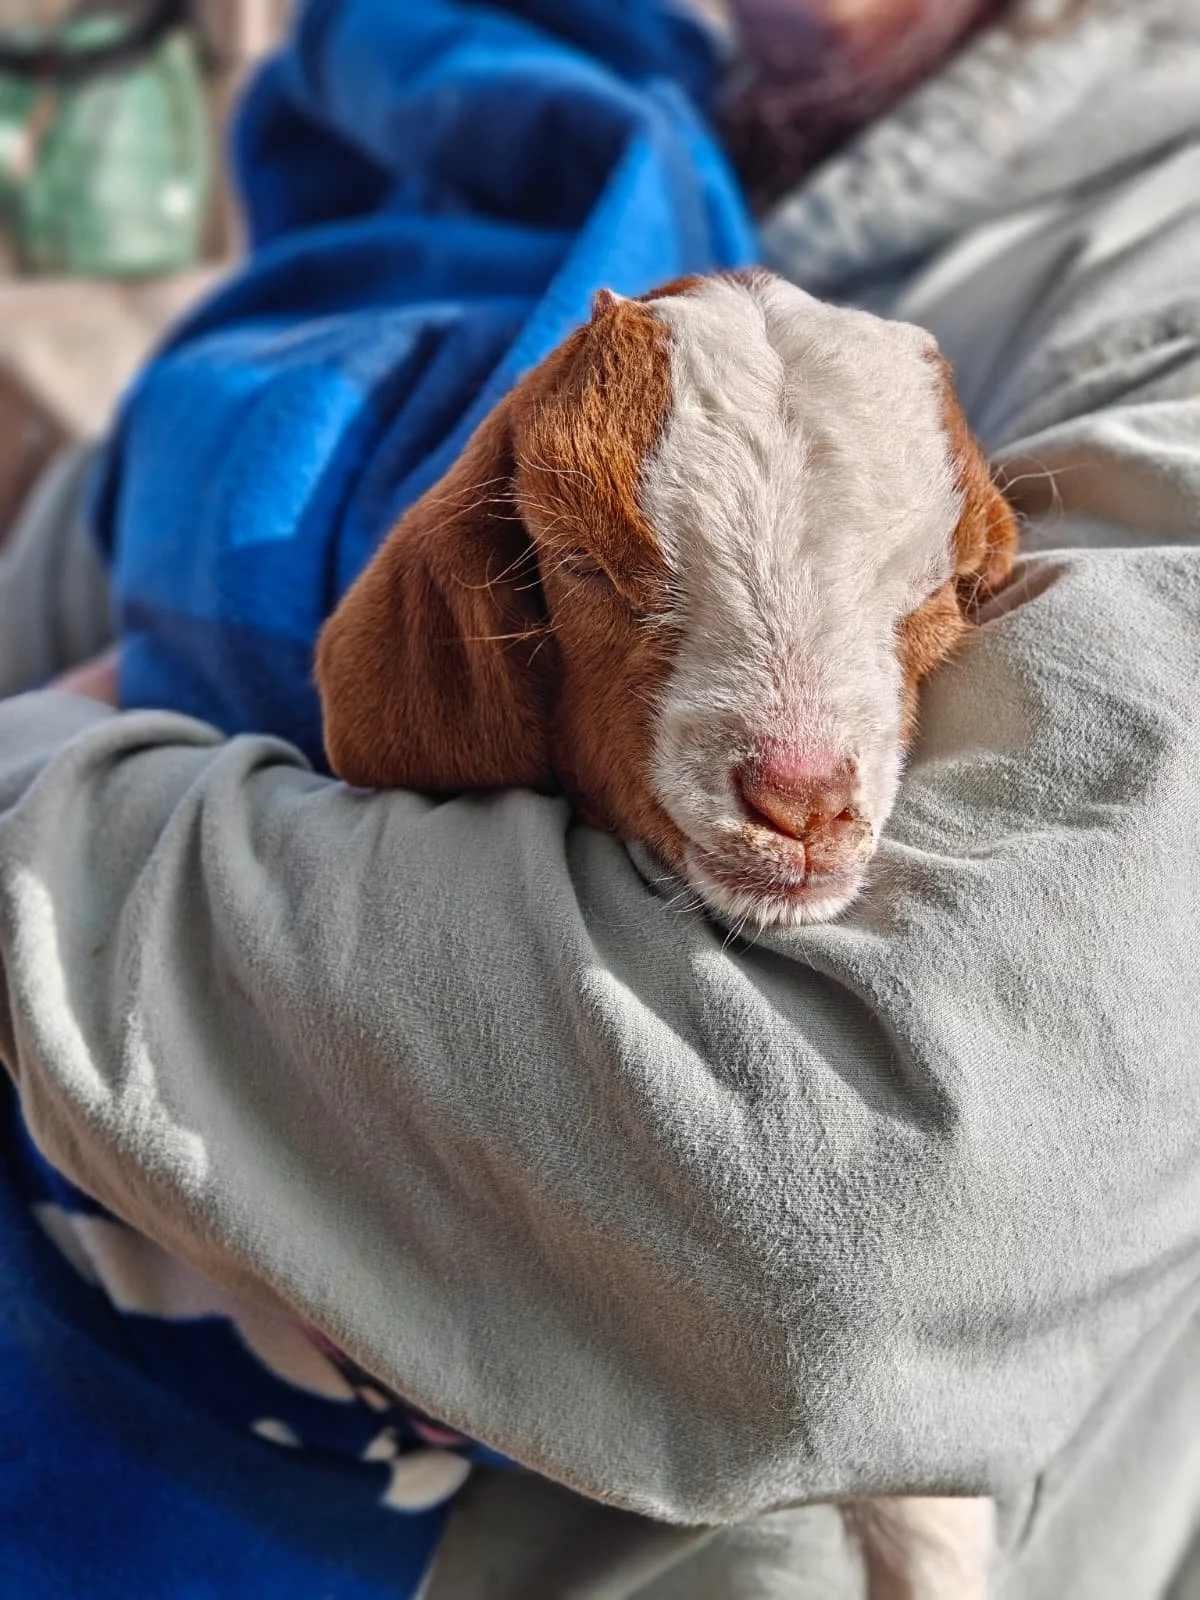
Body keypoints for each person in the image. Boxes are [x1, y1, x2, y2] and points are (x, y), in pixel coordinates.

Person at [3, 2, 1200, 1595]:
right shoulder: (435, 202)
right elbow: (60, 591)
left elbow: (851, 1204)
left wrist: (46, 809)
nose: (805, 786)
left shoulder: (1161, 270)